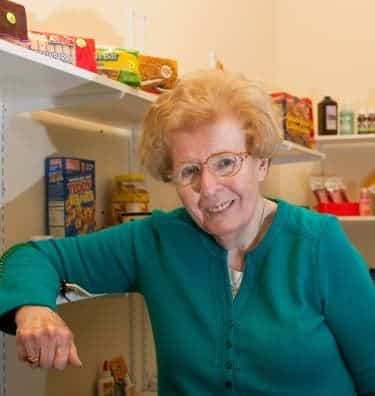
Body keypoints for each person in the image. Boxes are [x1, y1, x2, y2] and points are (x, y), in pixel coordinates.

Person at [0, 69, 375, 396]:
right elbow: (29, 257)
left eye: (226, 162)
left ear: (261, 162)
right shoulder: (156, 241)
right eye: (189, 171)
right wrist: (33, 310)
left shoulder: (318, 244)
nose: (208, 188)